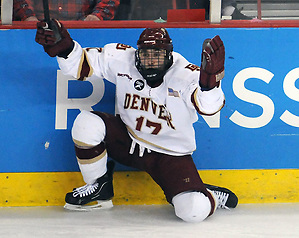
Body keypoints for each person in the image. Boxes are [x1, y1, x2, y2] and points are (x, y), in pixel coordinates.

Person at [35, 19, 238, 222]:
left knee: (192, 211)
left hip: (170, 155)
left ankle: (206, 193)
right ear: (137, 53)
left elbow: (209, 108)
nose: (150, 61)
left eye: (157, 55)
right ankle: (99, 187)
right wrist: (65, 49)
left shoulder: (185, 74)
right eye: (145, 55)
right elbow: (82, 65)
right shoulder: (123, 58)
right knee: (86, 123)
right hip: (129, 140)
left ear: (169, 55)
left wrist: (210, 83)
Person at [13, 0, 120, 21]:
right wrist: (28, 17)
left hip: (82, 29)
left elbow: (109, 1)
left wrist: (97, 16)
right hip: (40, 28)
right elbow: (21, 2)